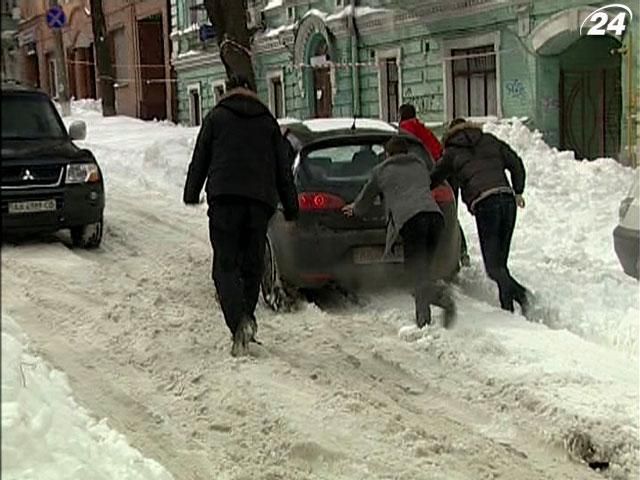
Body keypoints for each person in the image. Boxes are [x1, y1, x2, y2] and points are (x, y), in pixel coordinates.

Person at [183, 74, 299, 357]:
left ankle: (239, 323)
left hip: (224, 200)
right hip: (259, 202)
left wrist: (191, 192)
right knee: (251, 266)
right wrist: (291, 206)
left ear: (228, 91)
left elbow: (201, 158)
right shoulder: (267, 122)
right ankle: (246, 320)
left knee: (224, 266)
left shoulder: (216, 117)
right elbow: (282, 169)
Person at [342, 136, 456, 328]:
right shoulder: (419, 165)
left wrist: (354, 208)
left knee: (414, 275)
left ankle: (441, 302)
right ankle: (424, 319)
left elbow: (365, 200)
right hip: (435, 219)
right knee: (423, 272)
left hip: (413, 221)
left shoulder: (381, 171)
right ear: (406, 152)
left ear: (387, 154)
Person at [431, 118, 530, 315]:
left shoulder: (452, 153)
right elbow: (515, 162)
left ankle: (523, 296)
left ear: (450, 135)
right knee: (500, 263)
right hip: (507, 201)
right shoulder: (490, 140)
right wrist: (518, 190)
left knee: (494, 268)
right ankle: (507, 307)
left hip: (486, 204)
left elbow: (435, 178)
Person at [398, 104, 470, 267]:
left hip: (423, 180)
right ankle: (460, 252)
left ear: (401, 115)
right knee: (450, 217)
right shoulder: (423, 129)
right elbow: (439, 152)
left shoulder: (402, 131)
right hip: (444, 176)